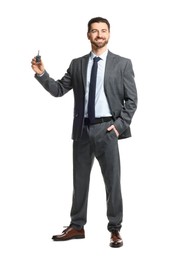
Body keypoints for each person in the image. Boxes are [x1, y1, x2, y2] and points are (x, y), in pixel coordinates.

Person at [31, 17, 137, 248]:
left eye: (103, 30)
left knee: (112, 182)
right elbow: (59, 90)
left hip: (107, 129)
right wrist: (42, 74)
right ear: (88, 35)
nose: (99, 34)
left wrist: (118, 126)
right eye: (94, 31)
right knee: (79, 181)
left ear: (109, 34)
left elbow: (132, 101)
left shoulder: (122, 64)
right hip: (82, 130)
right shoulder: (77, 64)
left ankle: (115, 229)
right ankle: (77, 226)